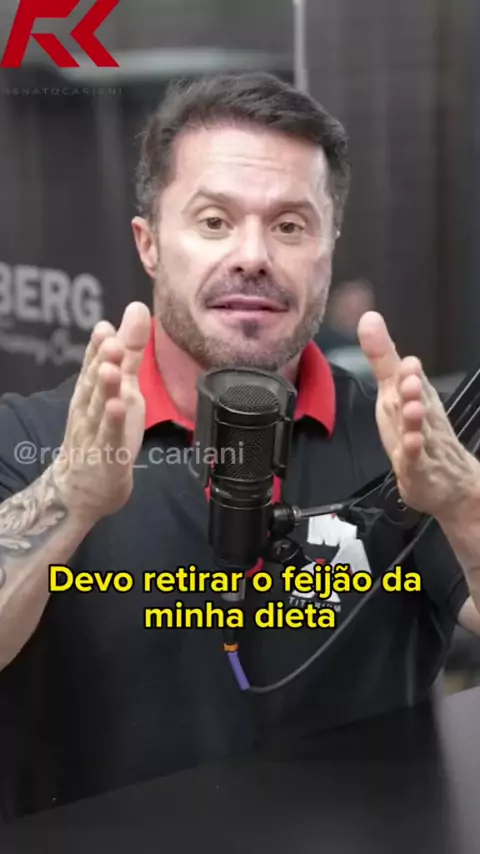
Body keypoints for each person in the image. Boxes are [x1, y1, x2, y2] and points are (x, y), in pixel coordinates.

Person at [1, 72, 480, 820]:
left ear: (328, 248)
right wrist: (69, 498)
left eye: (290, 226)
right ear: (149, 243)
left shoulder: (408, 445)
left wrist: (463, 506)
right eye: (215, 221)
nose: (254, 255)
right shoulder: (29, 438)